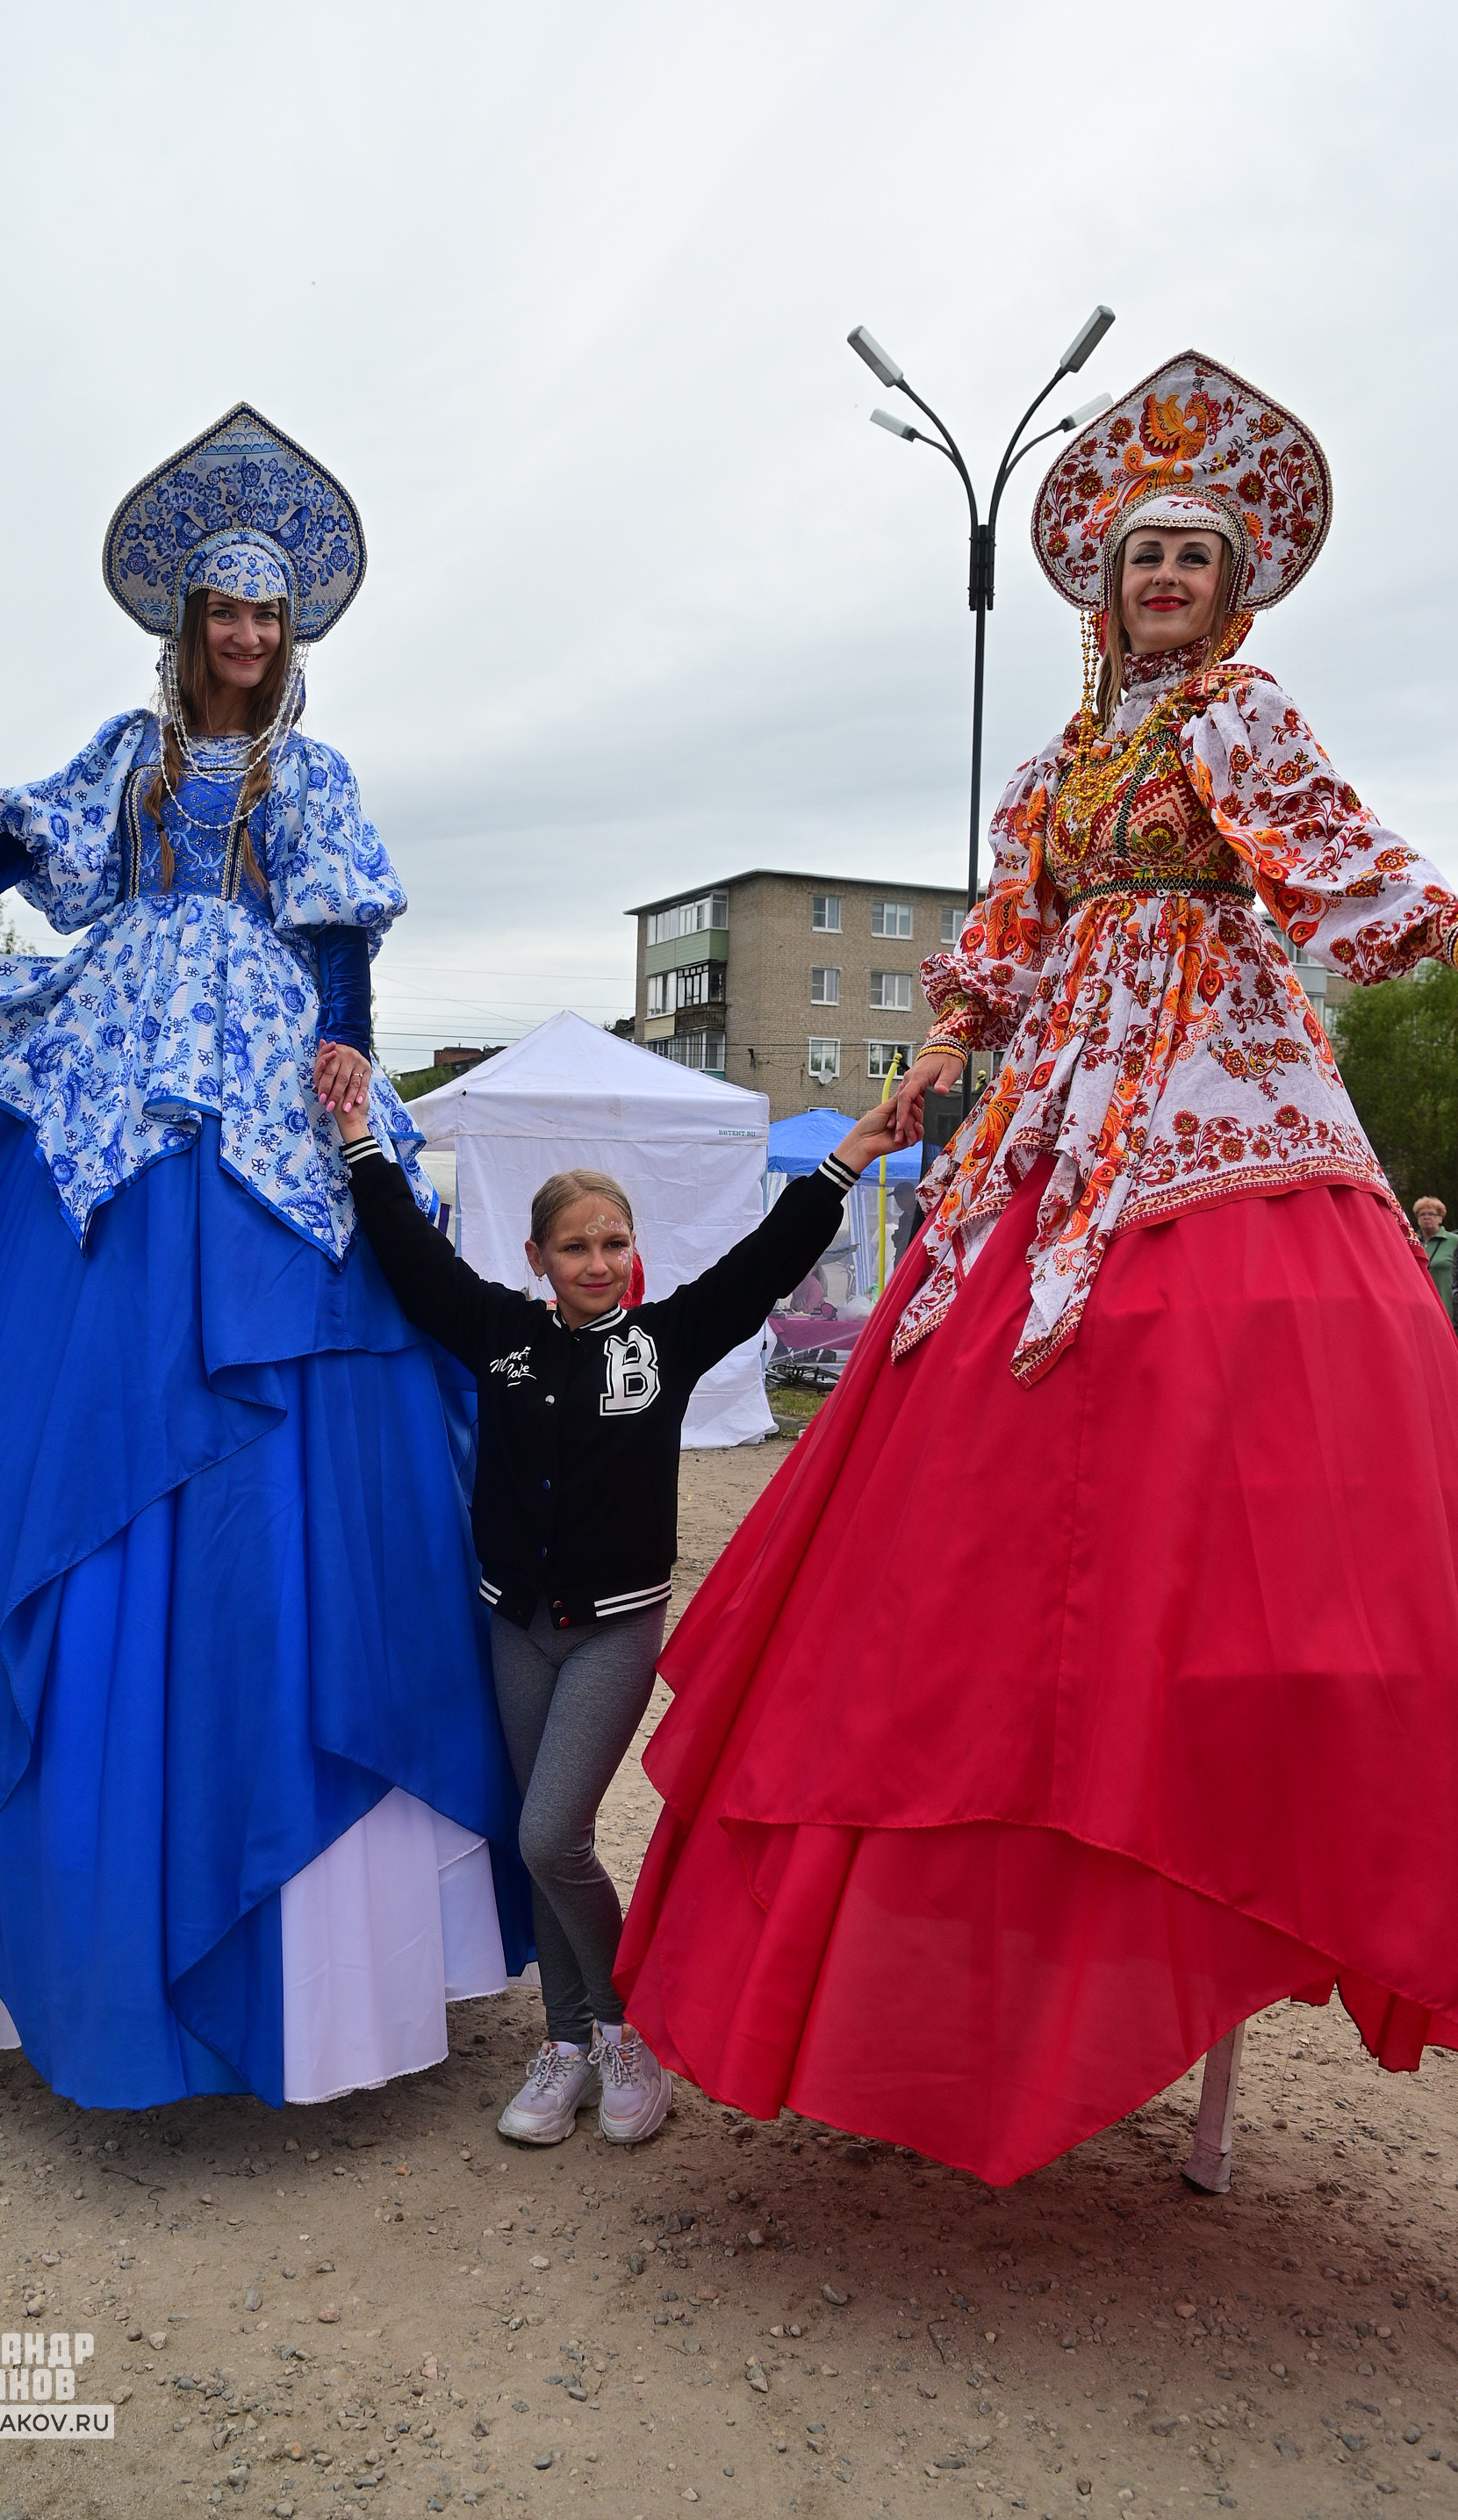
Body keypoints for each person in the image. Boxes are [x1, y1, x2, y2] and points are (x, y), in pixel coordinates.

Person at [615, 351, 1458, 2185]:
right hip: (1057, 1098)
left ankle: (1214, 1824)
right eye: (1136, 554)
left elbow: (1341, 880)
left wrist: (1436, 925)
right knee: (982, 1434)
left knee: (1219, 1400)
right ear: (1101, 586)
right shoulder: (1063, 760)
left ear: (1233, 588)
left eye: (1189, 556)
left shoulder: (1243, 722)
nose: (1160, 577)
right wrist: (938, 1053)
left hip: (1213, 1078)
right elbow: (1001, 931)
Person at [0, 402, 531, 2111]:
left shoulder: (311, 777)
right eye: (222, 613)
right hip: (111, 1064)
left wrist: (348, 1075)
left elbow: (339, 946)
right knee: (63, 1372)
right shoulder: (131, 759)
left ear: (287, 635)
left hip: (261, 1074)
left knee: (298, 1376)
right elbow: (14, 856)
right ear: (186, 629)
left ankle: (296, 1901)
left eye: (266, 615)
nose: (244, 636)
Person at [332, 1084, 904, 2143]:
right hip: (514, 1625)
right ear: (537, 1256)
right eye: (575, 1247)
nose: (598, 1263)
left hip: (613, 1625)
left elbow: (760, 1265)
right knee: (533, 1837)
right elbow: (411, 1260)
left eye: (613, 1242)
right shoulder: (497, 1331)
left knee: (553, 1832)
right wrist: (359, 1140)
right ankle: (564, 2047)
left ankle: (623, 2025)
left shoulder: (664, 1342)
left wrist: (846, 1164)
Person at [1413, 1196, 1458, 1324]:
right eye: (1422, 1214)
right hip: (1421, 1305)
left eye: (1432, 1214)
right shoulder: (1411, 1243)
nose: (1426, 1217)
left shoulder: (1454, 1241)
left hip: (1448, 1304)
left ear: (1440, 1218)